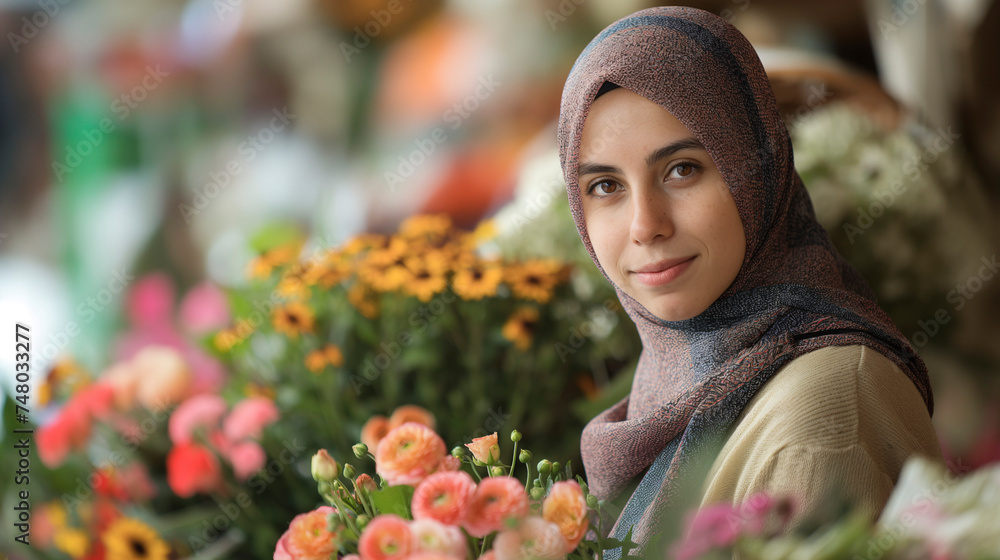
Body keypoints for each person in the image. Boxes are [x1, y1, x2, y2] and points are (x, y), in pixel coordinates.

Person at [556, 6, 944, 555]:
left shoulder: (824, 417)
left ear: (757, 170)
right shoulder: (680, 377)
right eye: (604, 186)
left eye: (682, 169)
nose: (646, 226)